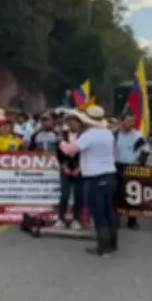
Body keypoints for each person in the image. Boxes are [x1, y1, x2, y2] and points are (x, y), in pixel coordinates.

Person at [60, 106, 118, 256]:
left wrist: (61, 141)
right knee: (108, 210)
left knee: (98, 212)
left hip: (94, 177)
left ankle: (103, 247)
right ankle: (112, 243)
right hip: (110, 175)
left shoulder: (89, 135)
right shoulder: (108, 133)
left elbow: (70, 150)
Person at [114, 113, 150, 230]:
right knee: (117, 194)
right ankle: (116, 218)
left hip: (133, 167)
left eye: (132, 121)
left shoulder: (139, 136)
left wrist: (140, 161)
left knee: (132, 195)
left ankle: (132, 221)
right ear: (122, 121)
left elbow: (145, 149)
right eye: (129, 121)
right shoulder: (113, 135)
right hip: (116, 166)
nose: (131, 124)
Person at [54, 113, 85, 230]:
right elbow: (59, 153)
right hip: (65, 167)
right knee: (65, 194)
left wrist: (79, 168)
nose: (72, 124)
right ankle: (61, 218)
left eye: (74, 121)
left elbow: (84, 153)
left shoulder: (83, 136)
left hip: (79, 169)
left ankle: (76, 219)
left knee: (78, 195)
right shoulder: (63, 136)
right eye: (70, 121)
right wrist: (64, 166)